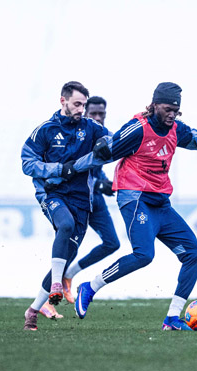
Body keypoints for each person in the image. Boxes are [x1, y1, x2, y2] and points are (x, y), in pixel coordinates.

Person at [66, 82, 197, 330]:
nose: (172, 113)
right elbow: (105, 153)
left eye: (176, 109)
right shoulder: (138, 129)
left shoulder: (176, 130)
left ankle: (172, 318)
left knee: (195, 253)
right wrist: (70, 168)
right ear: (154, 105)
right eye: (167, 108)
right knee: (144, 254)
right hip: (134, 197)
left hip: (160, 202)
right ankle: (91, 286)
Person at [20, 81, 111, 331]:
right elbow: (27, 163)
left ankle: (33, 311)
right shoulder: (46, 130)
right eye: (77, 104)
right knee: (66, 225)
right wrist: (59, 169)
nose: (81, 109)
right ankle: (57, 284)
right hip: (53, 194)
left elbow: (110, 141)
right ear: (63, 101)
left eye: (84, 104)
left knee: (65, 256)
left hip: (82, 200)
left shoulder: (91, 127)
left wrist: (107, 143)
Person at [43, 96, 122, 319]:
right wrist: (99, 184)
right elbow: (75, 168)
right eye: (94, 113)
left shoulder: (101, 134)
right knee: (68, 250)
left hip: (94, 199)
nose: (98, 117)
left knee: (112, 243)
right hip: (76, 198)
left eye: (102, 114)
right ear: (85, 112)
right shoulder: (79, 134)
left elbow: (97, 168)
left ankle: (69, 276)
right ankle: (46, 299)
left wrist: (106, 183)